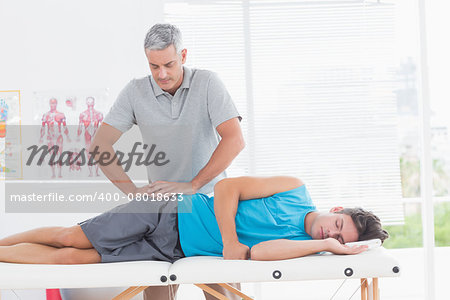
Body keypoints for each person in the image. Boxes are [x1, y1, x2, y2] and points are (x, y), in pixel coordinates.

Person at [87, 23, 244, 299]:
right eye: (154, 66)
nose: (162, 74)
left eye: (169, 65)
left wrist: (193, 185)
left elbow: (234, 139)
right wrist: (134, 194)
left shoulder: (207, 84)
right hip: (161, 218)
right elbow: (100, 145)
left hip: (209, 213)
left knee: (222, 294)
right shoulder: (135, 92)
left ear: (183, 56)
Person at [0, 176, 389, 266]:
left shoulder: (304, 245)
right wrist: (229, 239)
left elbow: (256, 253)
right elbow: (226, 190)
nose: (328, 233)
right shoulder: (294, 190)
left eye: (338, 239)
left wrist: (323, 247)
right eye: (335, 227)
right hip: (172, 210)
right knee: (73, 237)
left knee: (72, 259)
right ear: (336, 210)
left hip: (172, 250)